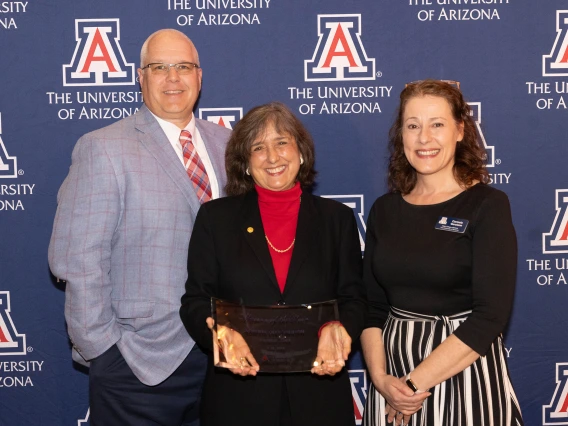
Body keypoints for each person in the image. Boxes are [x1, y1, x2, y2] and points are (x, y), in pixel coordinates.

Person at [48, 29, 231, 426]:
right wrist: (105, 352)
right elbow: (77, 259)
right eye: (159, 67)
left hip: (224, 362)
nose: (173, 78)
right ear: (140, 76)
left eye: (183, 67)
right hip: (138, 365)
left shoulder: (227, 145)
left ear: (200, 76)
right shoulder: (103, 147)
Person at [179, 102, 366, 426]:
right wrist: (221, 336)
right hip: (238, 397)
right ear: (246, 164)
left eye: (282, 143)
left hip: (319, 396)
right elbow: (195, 301)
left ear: (302, 152)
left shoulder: (337, 219)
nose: (273, 157)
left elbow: (354, 299)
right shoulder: (215, 219)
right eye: (258, 147)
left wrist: (338, 328)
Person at [361, 80, 523, 426]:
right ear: (400, 135)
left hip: (460, 370)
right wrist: (381, 380)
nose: (424, 138)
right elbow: (371, 308)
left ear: (460, 130)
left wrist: (414, 385)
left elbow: (490, 316)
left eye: (437, 124)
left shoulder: (487, 205)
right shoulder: (383, 210)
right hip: (391, 375)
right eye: (413, 125)